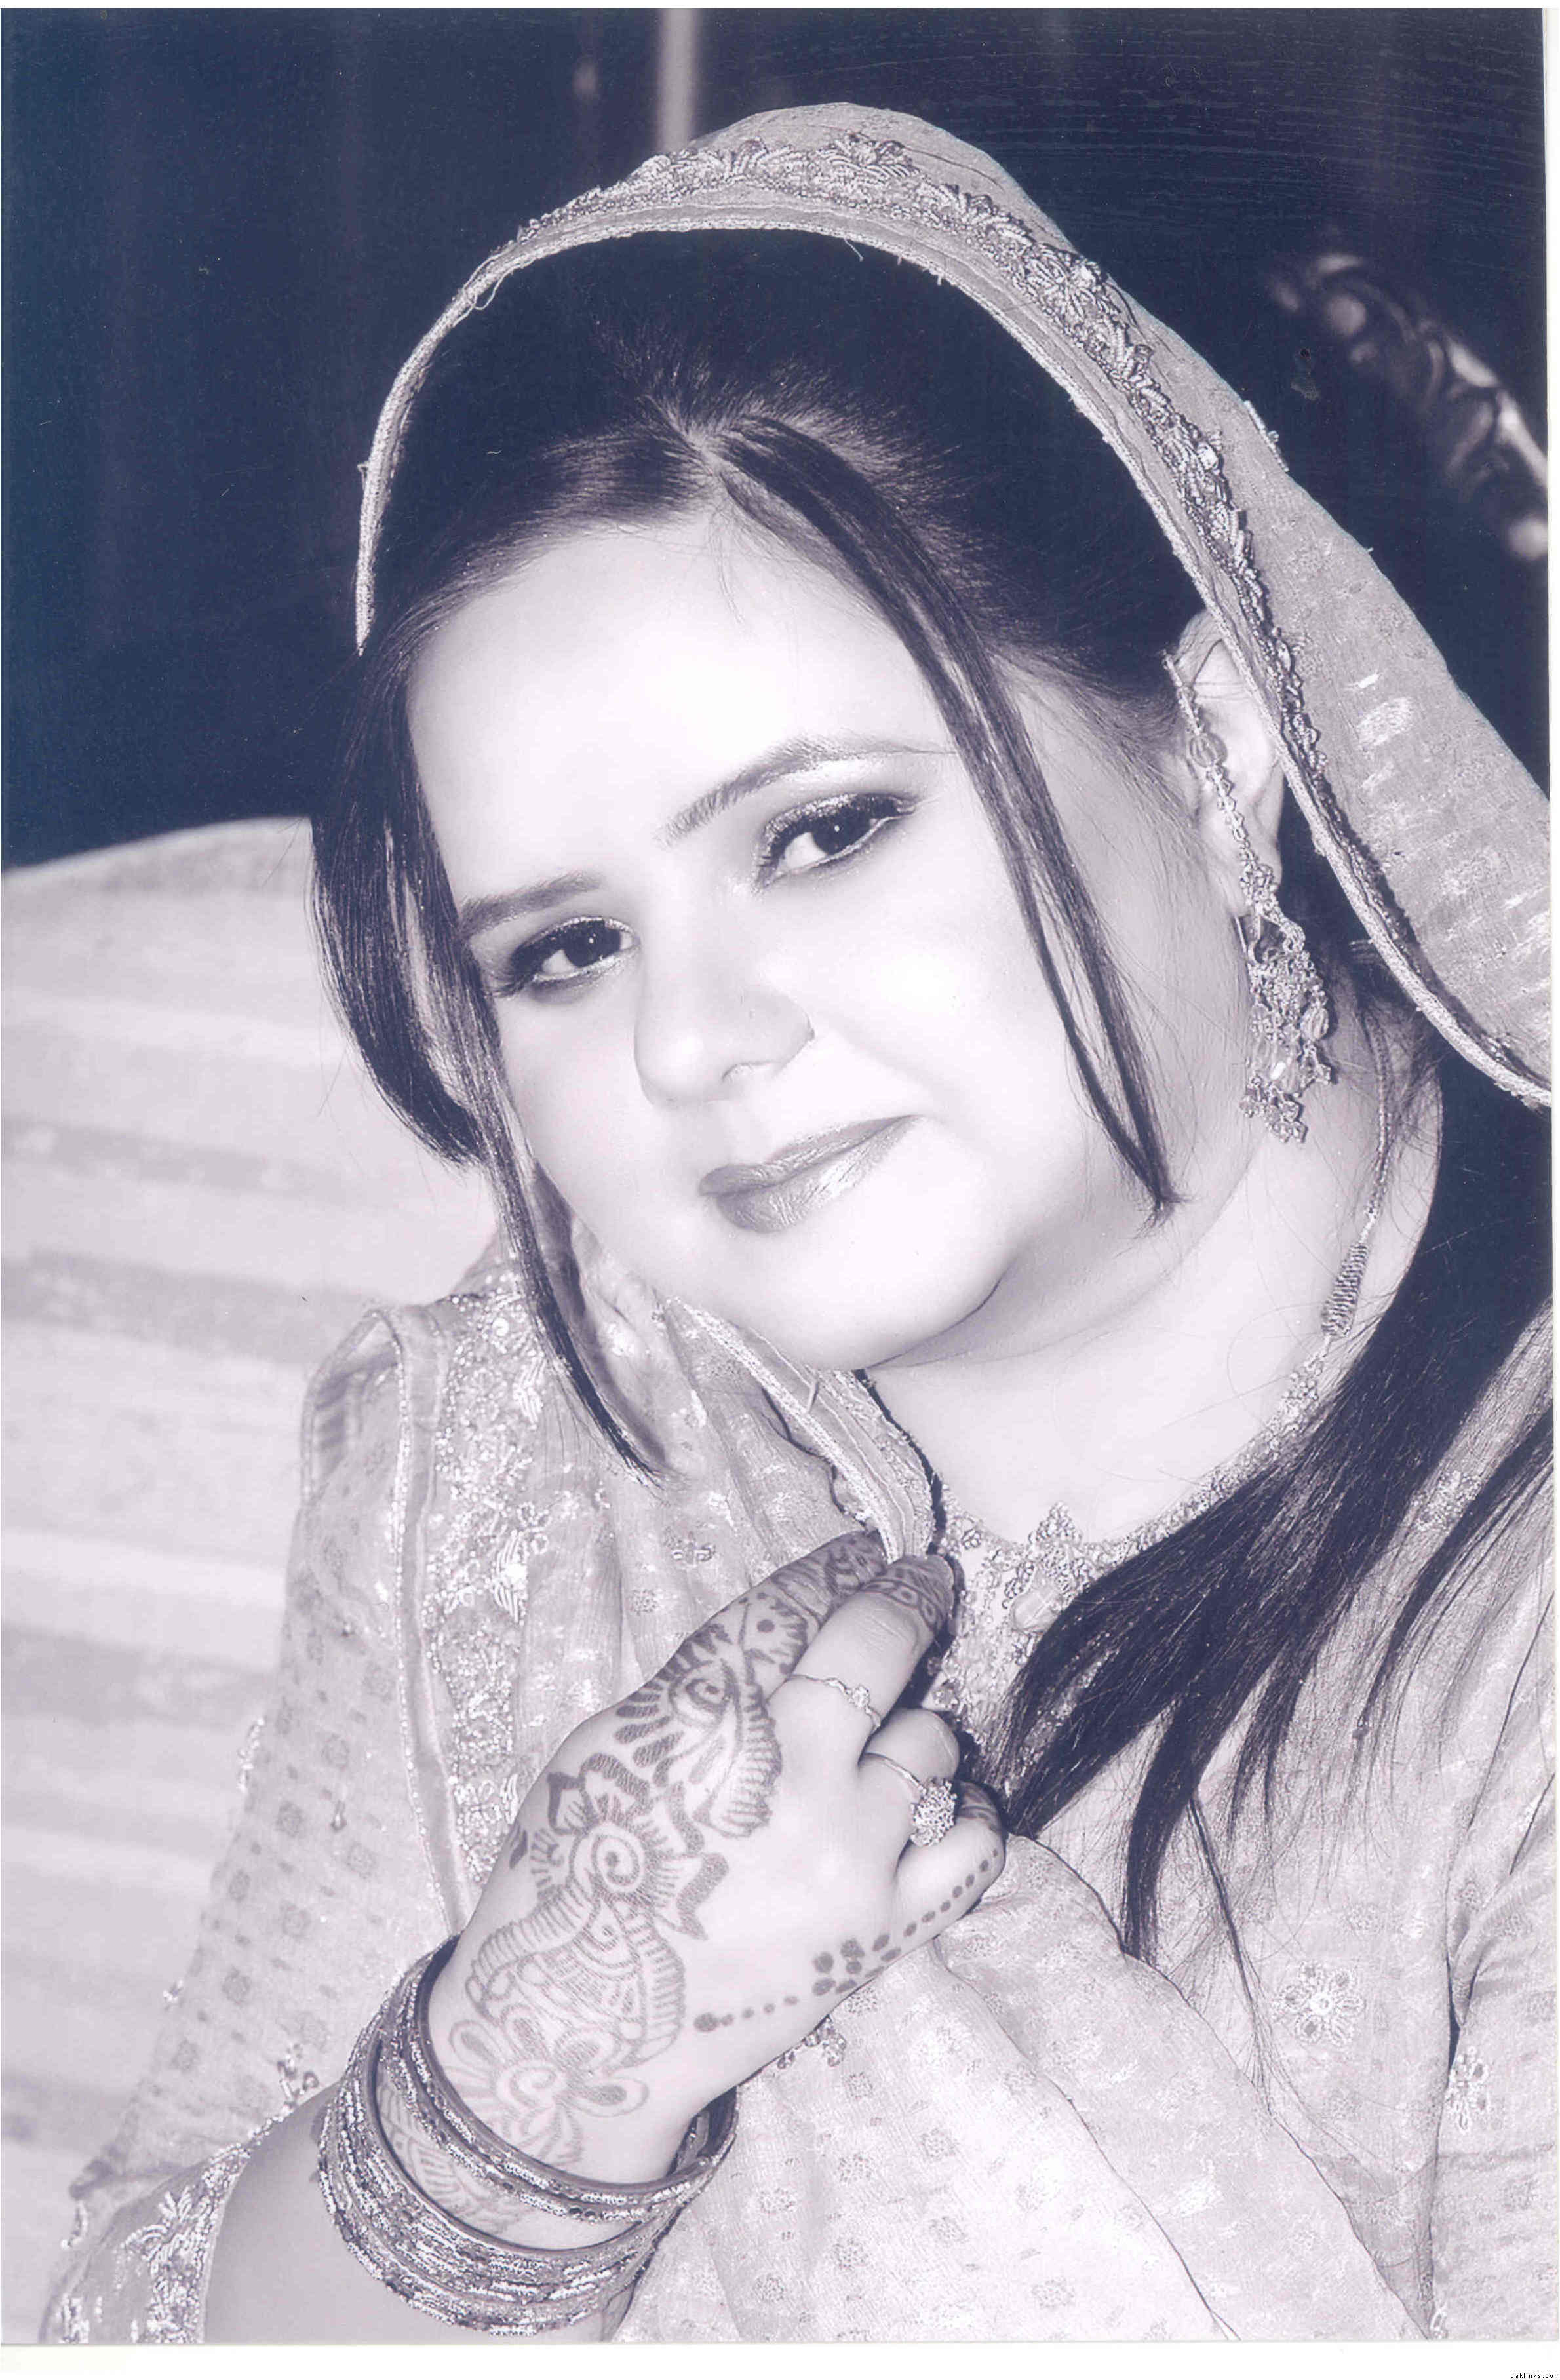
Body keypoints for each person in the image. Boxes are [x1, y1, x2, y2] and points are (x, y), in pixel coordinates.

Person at [43, 104, 1551, 2345]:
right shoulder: (530, 1449)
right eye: (564, 949)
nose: (690, 1044)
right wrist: (532, 2068)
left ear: (1217, 744)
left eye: (821, 833)